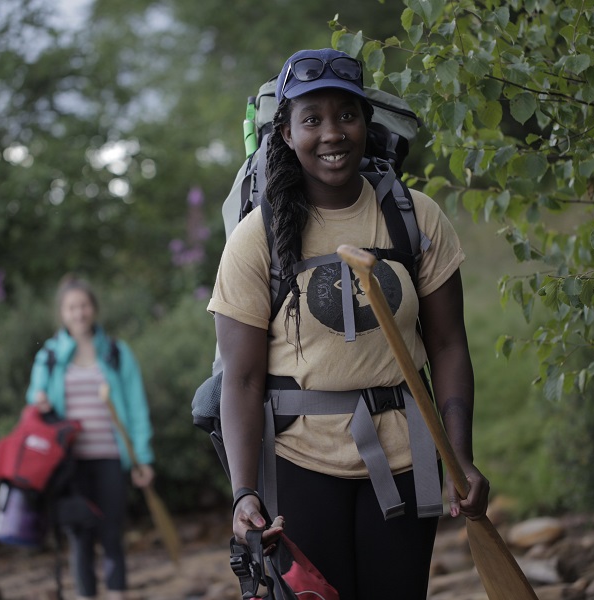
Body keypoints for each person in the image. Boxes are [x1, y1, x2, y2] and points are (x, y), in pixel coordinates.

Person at [208, 48, 490, 599]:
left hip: (409, 460)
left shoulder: (416, 216)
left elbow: (449, 344)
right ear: (286, 134)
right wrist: (244, 494)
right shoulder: (256, 236)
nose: (332, 133)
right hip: (298, 464)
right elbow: (241, 379)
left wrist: (461, 456)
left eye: (347, 115)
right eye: (312, 119)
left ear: (366, 123)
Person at [26, 274, 155, 600]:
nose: (79, 313)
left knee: (112, 534)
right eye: (72, 307)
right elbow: (34, 401)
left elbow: (137, 408)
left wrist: (142, 458)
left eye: (83, 306)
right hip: (70, 465)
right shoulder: (51, 356)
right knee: (80, 537)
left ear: (93, 309)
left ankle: (117, 595)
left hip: (111, 457)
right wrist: (39, 401)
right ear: (63, 313)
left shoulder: (116, 353)